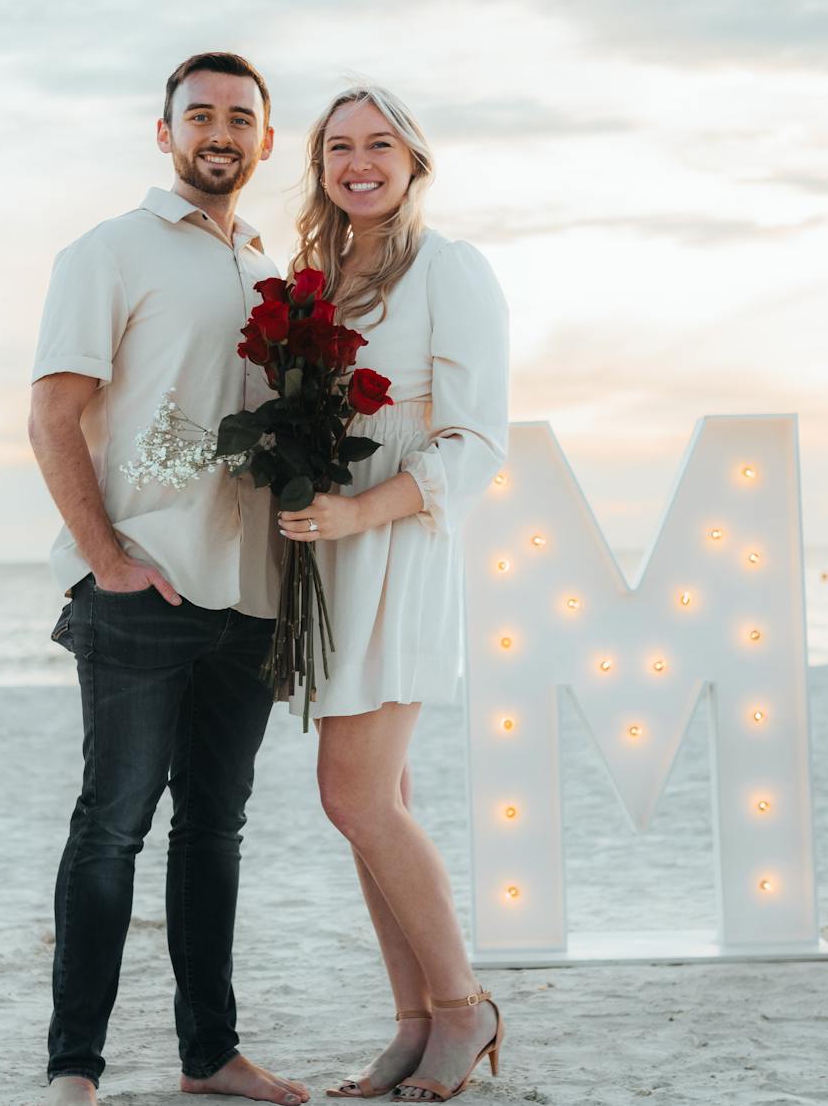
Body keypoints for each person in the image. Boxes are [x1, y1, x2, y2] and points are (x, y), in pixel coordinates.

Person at [28, 52, 309, 1106]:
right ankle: (73, 1069)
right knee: (112, 823)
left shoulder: (268, 270)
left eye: (240, 117)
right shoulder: (109, 250)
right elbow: (53, 415)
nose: (219, 132)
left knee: (214, 831)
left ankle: (209, 1056)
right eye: (199, 115)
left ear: (265, 141)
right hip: (141, 594)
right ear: (164, 134)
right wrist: (108, 558)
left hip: (248, 600)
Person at [274, 85, 510, 1102]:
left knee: (353, 794)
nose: (357, 161)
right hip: (328, 549)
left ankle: (463, 1006)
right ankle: (413, 1022)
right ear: (319, 164)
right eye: (337, 146)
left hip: (398, 539)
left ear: (414, 162)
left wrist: (365, 516)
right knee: (381, 798)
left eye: (379, 145)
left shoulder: (449, 269)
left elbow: (477, 439)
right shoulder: (310, 275)